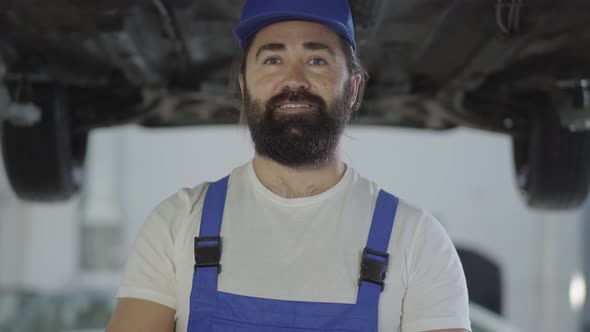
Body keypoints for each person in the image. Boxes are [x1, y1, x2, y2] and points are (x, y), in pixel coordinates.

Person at [106, 0, 471, 331]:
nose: (294, 80)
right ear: (244, 85)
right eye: (272, 60)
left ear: (354, 88)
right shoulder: (178, 223)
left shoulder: (416, 239)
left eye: (317, 60)